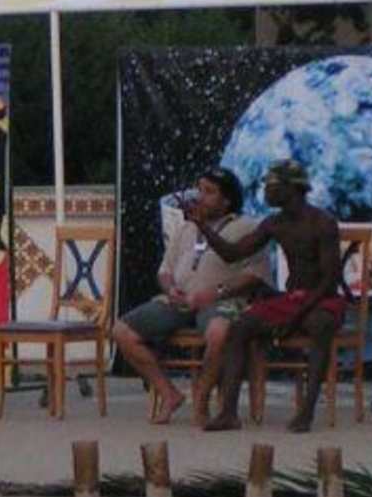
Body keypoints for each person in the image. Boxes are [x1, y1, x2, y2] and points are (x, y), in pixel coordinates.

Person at [191, 159, 346, 434]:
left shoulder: (322, 223)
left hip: (321, 299)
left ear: (291, 188)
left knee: (320, 325)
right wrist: (202, 225)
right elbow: (232, 254)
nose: (265, 192)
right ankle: (228, 413)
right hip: (292, 300)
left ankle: (306, 412)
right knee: (239, 328)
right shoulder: (274, 223)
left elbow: (329, 280)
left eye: (271, 186)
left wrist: (297, 315)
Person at [111, 168, 271, 425]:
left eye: (209, 192)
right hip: (179, 301)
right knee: (121, 331)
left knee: (218, 332)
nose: (200, 196)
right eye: (199, 189)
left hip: (222, 301)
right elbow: (165, 270)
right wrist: (170, 288)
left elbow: (255, 275)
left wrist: (216, 292)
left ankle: (202, 397)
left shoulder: (247, 227)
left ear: (226, 200)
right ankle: (169, 394)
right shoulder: (186, 228)